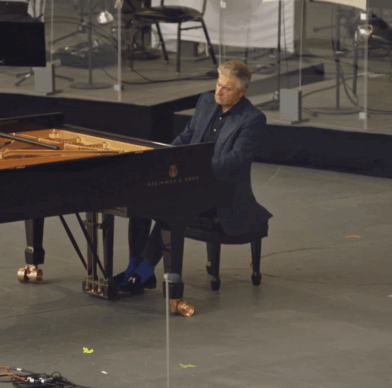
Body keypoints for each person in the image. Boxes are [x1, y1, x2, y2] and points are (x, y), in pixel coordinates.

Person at [114, 59, 273, 293]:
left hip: (223, 191)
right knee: (141, 198)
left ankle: (145, 271)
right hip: (189, 180)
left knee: (172, 206)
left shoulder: (252, 119)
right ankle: (134, 267)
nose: (219, 92)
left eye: (227, 89)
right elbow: (187, 137)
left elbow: (236, 161)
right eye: (218, 84)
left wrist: (197, 170)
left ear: (241, 92)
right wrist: (166, 158)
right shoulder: (206, 101)